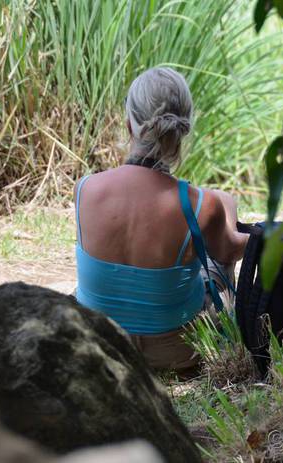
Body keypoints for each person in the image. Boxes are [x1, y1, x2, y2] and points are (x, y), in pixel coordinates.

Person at [74, 67, 248, 372]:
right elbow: (229, 252)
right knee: (217, 257)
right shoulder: (199, 204)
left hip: (97, 346)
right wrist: (232, 209)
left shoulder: (86, 189)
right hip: (176, 352)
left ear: (129, 125)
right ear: (184, 129)